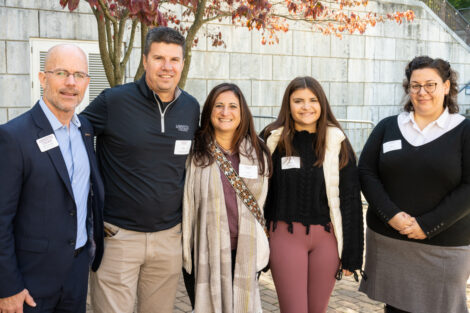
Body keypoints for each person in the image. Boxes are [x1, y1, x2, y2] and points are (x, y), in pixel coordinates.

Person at [80, 27, 200, 313]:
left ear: (183, 62)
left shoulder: (191, 108)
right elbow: (75, 134)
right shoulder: (113, 101)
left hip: (169, 238)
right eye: (159, 58)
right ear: (145, 60)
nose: (167, 67)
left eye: (174, 59)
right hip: (118, 237)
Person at [358, 56, 470, 313]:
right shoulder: (388, 126)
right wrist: (392, 216)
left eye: (430, 84)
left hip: (444, 245)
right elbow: (366, 172)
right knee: (394, 308)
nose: (422, 92)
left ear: (446, 86)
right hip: (390, 240)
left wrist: (428, 225)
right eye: (415, 85)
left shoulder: (464, 130)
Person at [0, 44, 104, 313]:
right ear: (43, 78)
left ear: (87, 82)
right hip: (30, 281)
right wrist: (7, 286)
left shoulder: (86, 131)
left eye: (79, 75)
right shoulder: (14, 136)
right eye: (62, 73)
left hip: (76, 273)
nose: (71, 83)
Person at [262, 76, 364, 313]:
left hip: (326, 240)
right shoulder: (272, 138)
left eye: (312, 100)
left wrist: (353, 254)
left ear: (322, 104)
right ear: (288, 105)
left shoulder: (337, 141)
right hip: (285, 236)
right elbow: (259, 190)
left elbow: (350, 199)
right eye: (298, 101)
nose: (306, 106)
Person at [182, 83, 272, 313]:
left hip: (245, 249)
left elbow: (266, 203)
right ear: (209, 111)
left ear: (242, 112)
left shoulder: (258, 152)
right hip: (203, 251)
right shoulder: (195, 151)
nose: (225, 112)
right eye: (219, 106)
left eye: (233, 106)